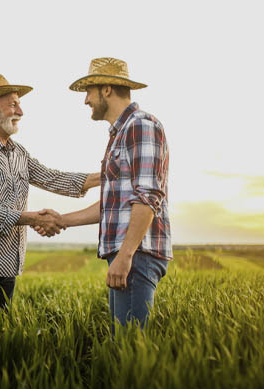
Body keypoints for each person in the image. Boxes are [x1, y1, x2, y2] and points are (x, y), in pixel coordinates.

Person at [39, 57, 172, 329]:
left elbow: (147, 198)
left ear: (107, 89)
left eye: (89, 91)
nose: (85, 100)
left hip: (136, 255)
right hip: (129, 254)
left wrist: (125, 255)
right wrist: (61, 220)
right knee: (119, 349)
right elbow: (112, 207)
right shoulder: (120, 133)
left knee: (129, 351)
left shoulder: (140, 125)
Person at [0, 74, 100, 312]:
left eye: (19, 104)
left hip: (7, 264)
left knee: (1, 340)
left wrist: (104, 176)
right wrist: (31, 218)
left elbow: (52, 177)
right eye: (13, 104)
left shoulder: (19, 152)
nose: (20, 111)